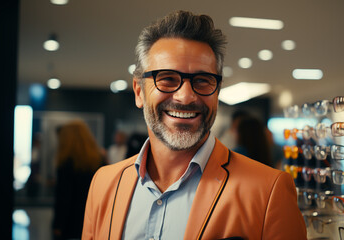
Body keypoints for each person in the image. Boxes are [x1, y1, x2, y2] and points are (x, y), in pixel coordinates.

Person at [82, 10, 307, 239]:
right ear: (139, 92)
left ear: (217, 92)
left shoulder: (268, 191)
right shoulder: (104, 183)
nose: (185, 96)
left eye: (202, 80)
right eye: (167, 78)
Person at [52, 119, 104, 240]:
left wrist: (58, 225)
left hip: (70, 224)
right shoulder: (98, 161)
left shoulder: (66, 164)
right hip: (93, 221)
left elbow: (63, 198)